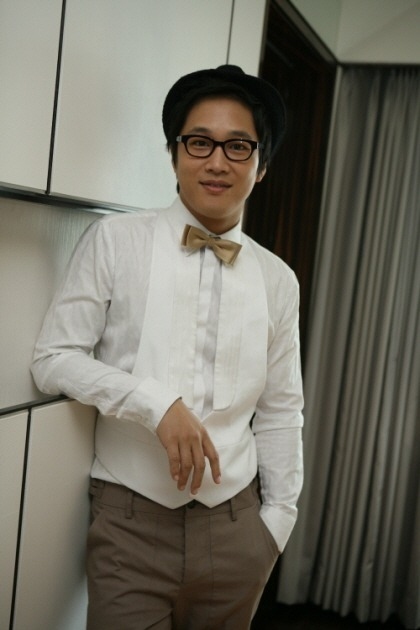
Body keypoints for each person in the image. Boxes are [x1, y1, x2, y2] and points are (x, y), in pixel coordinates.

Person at [31, 65, 304, 630]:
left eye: (238, 146)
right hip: (129, 521)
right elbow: (53, 359)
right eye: (199, 141)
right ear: (175, 153)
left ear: (261, 165)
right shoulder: (115, 241)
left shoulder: (279, 279)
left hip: (237, 529)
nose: (217, 161)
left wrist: (276, 522)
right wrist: (154, 403)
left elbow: (281, 410)